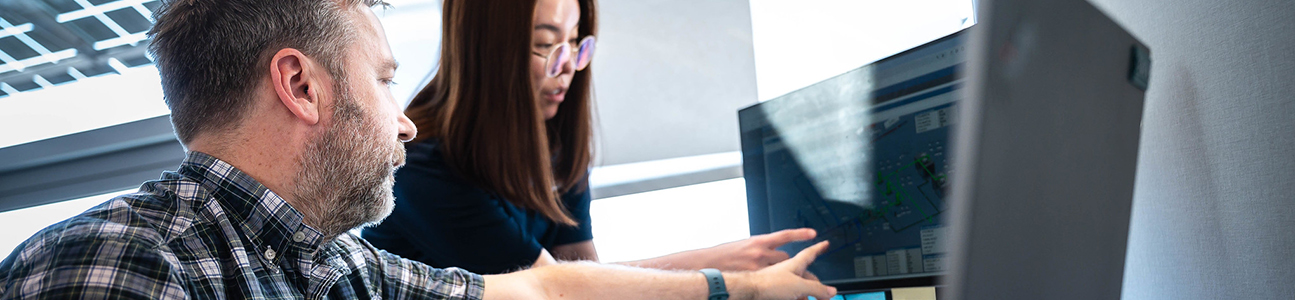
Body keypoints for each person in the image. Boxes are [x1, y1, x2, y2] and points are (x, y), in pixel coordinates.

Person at [0, 1, 840, 299]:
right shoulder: (119, 265)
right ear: (303, 87)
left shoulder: (332, 268)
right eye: (386, 80)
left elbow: (543, 290)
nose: (406, 122)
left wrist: (735, 289)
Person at [363, 0, 813, 275]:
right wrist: (717, 266)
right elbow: (556, 287)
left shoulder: (553, 141)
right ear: (486, 48)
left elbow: (584, 270)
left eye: (576, 43)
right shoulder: (421, 165)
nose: (568, 68)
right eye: (545, 44)